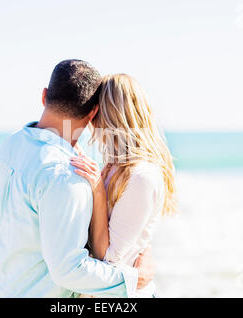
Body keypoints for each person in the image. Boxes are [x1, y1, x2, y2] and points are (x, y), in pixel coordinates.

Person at [0, 60, 154, 297]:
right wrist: (133, 279)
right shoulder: (65, 175)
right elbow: (68, 269)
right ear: (93, 113)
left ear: (44, 96)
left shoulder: (10, 146)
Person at [70, 74, 176, 297]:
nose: (90, 118)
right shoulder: (114, 165)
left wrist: (98, 190)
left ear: (108, 115)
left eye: (95, 109)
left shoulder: (141, 177)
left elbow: (108, 258)